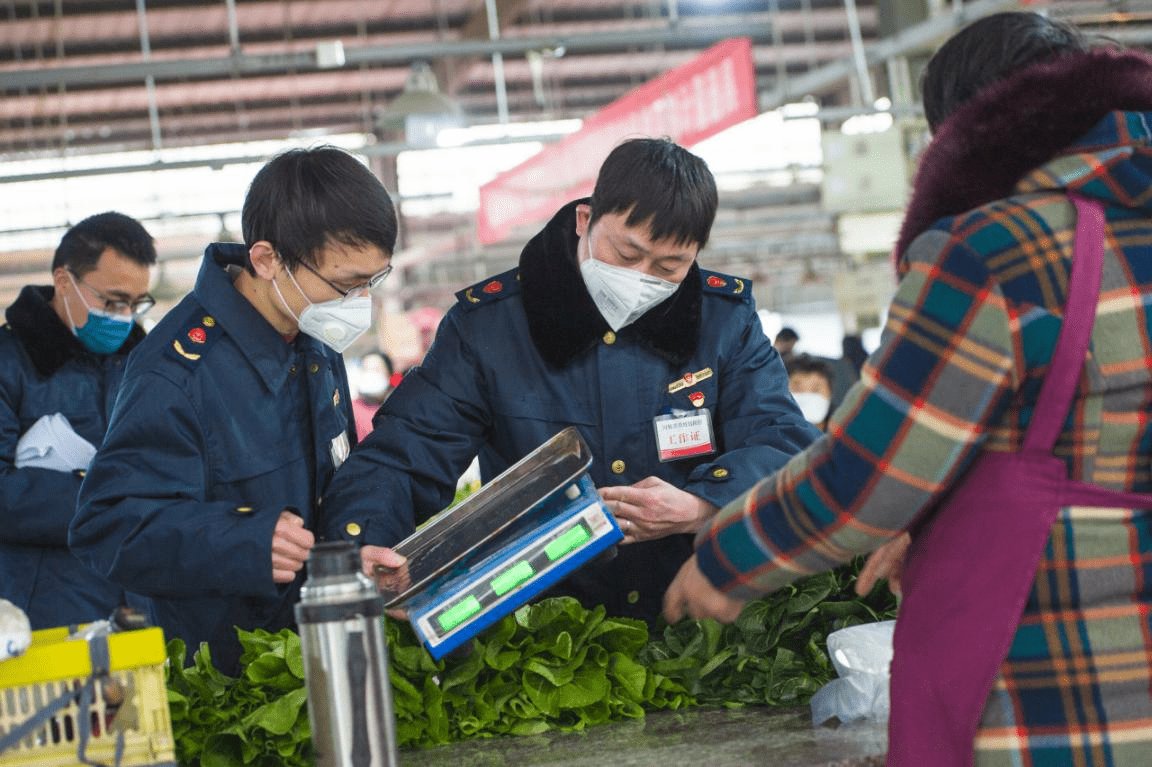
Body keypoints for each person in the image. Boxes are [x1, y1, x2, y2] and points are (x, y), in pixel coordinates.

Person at [664, 12, 1152, 765]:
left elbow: (870, 470)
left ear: (965, 129)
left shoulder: (996, 249)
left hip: (1070, 680)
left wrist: (727, 557)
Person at [321, 137, 818, 622]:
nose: (643, 277)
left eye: (670, 266)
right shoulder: (491, 328)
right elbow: (407, 448)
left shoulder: (724, 320)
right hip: (543, 636)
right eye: (626, 255)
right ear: (585, 220)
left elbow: (782, 438)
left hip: (698, 621)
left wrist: (703, 504)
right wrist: (365, 538)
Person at [70, 147, 404, 674]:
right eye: (345, 285)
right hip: (231, 685)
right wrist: (243, 540)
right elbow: (107, 526)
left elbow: (330, 487)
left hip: (323, 655)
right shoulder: (176, 375)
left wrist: (347, 557)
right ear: (268, 260)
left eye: (372, 281)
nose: (359, 302)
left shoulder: (314, 340)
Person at [0, 212, 156, 630]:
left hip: (139, 599)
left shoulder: (145, 367)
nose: (125, 316)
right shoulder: (9, 362)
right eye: (112, 301)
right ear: (65, 282)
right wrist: (106, 502)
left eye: (136, 304)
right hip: (42, 607)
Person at [351, 351, 393, 440]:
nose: (371, 376)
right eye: (366, 370)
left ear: (389, 374)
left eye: (376, 370)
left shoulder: (396, 410)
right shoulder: (349, 410)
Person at [785, 354, 833, 430]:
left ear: (829, 394)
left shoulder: (843, 437)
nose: (807, 395)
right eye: (797, 389)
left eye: (815, 390)